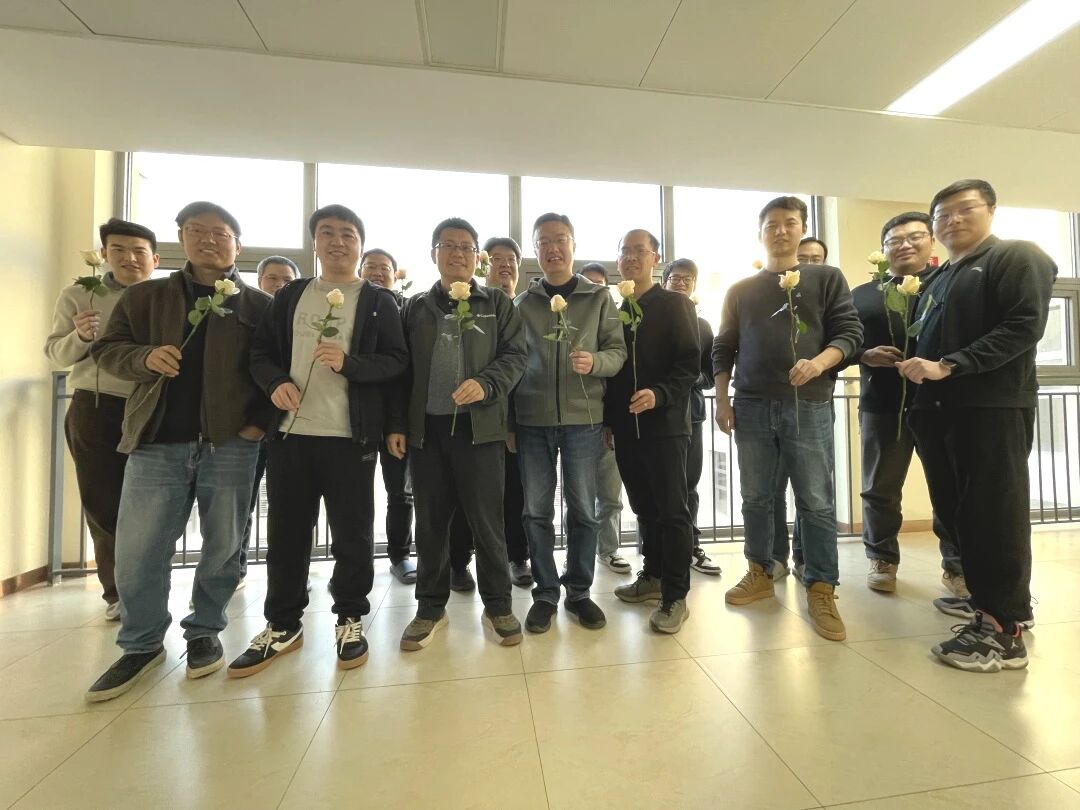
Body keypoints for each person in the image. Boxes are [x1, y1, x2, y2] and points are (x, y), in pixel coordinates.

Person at [85, 202, 273, 702]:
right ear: (181, 239)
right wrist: (145, 357)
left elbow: (276, 368)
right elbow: (107, 350)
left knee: (223, 546)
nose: (208, 240)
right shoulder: (146, 296)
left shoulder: (259, 306)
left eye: (220, 233)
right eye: (196, 231)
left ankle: (205, 630)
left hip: (230, 443)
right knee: (139, 549)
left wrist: (257, 425)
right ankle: (142, 643)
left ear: (237, 244)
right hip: (156, 440)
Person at [229, 206, 408, 677]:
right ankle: (283, 624)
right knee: (286, 534)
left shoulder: (378, 301)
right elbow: (260, 355)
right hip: (290, 435)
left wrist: (350, 364)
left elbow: (396, 362)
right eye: (327, 233)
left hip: (350, 437)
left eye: (348, 234)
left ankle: (350, 618)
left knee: (353, 534)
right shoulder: (290, 295)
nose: (337, 241)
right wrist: (273, 384)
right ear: (314, 242)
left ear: (360, 244)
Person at [898, 179, 1055, 672]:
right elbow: (937, 341)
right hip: (941, 411)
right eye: (942, 214)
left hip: (990, 408)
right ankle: (995, 604)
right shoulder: (940, 277)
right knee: (960, 515)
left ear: (990, 210)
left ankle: (1002, 633)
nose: (953, 220)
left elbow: (1023, 327)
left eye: (965, 209)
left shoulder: (1016, 257)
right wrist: (906, 358)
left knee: (993, 515)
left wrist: (952, 365)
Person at [714, 196, 862, 642]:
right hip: (752, 405)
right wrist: (722, 399)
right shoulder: (741, 289)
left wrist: (819, 363)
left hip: (808, 403)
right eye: (772, 224)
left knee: (815, 500)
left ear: (802, 230)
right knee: (757, 496)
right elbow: (724, 346)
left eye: (790, 223)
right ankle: (761, 569)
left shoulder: (826, 278)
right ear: (760, 233)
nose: (780, 230)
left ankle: (821, 585)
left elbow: (849, 333)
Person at [387, 218, 527, 650]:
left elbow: (516, 355)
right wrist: (398, 424)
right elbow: (401, 371)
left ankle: (498, 605)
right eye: (448, 245)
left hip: (479, 430)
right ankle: (430, 608)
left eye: (466, 247)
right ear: (434, 254)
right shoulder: (415, 307)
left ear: (477, 257)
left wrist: (486, 384)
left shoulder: (496, 303)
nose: (458, 253)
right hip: (427, 433)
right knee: (431, 523)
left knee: (488, 522)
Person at [515, 214, 627, 634]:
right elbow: (511, 362)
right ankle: (545, 592)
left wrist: (594, 362)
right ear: (536, 250)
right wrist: (509, 423)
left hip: (585, 422)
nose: (552, 248)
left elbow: (617, 352)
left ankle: (578, 591)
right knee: (536, 511)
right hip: (532, 421)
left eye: (560, 239)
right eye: (543, 242)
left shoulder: (598, 298)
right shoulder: (523, 304)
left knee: (583, 510)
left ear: (573, 245)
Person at [45, 218, 159, 621]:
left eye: (139, 251)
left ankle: (149, 587)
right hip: (96, 406)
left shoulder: (164, 297)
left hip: (151, 406)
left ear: (154, 259)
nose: (130, 258)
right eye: (119, 250)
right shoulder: (80, 295)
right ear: (105, 254)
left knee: (152, 505)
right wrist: (79, 336)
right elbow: (56, 355)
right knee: (102, 501)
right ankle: (118, 593)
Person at [851, 212, 963, 594]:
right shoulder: (863, 294)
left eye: (915, 236)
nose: (905, 245)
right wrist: (864, 355)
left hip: (940, 406)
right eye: (894, 240)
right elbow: (843, 341)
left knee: (948, 487)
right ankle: (881, 558)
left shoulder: (947, 285)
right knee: (879, 488)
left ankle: (956, 566)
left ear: (931, 241)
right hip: (882, 406)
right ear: (883, 250)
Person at [609, 229, 699, 634]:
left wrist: (659, 395)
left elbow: (689, 365)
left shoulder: (675, 304)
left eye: (639, 251)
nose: (631, 257)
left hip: (665, 426)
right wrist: (610, 422)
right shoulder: (617, 310)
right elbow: (613, 373)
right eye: (624, 251)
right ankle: (654, 575)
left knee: (672, 511)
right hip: (626, 428)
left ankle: (676, 595)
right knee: (643, 507)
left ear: (655, 258)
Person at [448, 237, 534, 587]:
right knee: (465, 496)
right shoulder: (473, 306)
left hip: (522, 418)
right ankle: (458, 561)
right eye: (497, 258)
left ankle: (518, 557)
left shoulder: (528, 306)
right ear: (484, 264)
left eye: (511, 259)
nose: (505, 264)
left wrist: (513, 424)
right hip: (478, 415)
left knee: (515, 493)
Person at [237, 256, 301, 585]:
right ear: (260, 279)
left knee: (287, 507)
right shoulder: (251, 311)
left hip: (284, 426)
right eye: (272, 278)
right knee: (243, 502)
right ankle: (237, 568)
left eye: (287, 280)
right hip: (246, 426)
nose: (279, 285)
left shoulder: (297, 316)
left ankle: (297, 572)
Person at [359, 247, 418, 585]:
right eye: (371, 266)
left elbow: (406, 370)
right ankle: (355, 559)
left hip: (398, 418)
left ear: (396, 275)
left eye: (384, 268)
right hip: (356, 416)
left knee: (401, 492)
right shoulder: (351, 306)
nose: (378, 272)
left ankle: (400, 555)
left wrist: (399, 423)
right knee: (354, 494)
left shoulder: (407, 310)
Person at [662, 258, 721, 576]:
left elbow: (710, 375)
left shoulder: (703, 326)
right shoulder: (651, 319)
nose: (681, 283)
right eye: (676, 278)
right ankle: (656, 552)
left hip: (691, 415)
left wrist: (688, 379)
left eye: (688, 278)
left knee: (689, 484)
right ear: (664, 282)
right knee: (657, 485)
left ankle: (691, 546)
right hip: (655, 414)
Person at [580, 262, 631, 574]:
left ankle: (608, 549)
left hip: (610, 421)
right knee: (580, 497)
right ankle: (579, 555)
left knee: (610, 494)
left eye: (599, 285)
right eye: (588, 283)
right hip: (578, 422)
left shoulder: (617, 323)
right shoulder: (573, 325)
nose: (594, 289)